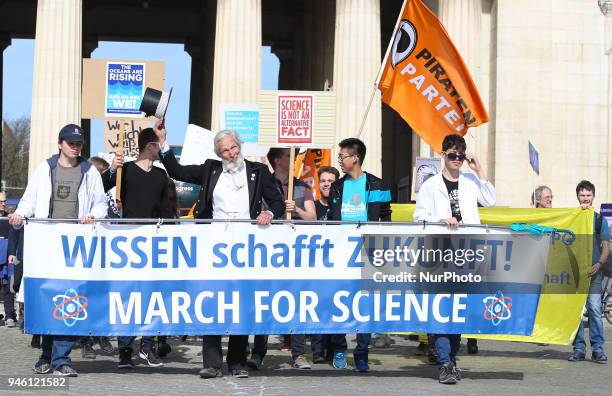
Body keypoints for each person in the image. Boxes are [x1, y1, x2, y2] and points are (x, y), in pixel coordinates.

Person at [157, 123, 285, 379]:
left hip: (246, 247)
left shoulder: (258, 171)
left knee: (241, 303)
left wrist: (269, 213)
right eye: (225, 151)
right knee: (212, 301)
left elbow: (278, 202)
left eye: (234, 147)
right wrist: (163, 143)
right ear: (218, 154)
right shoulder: (209, 169)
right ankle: (212, 363)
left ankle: (237, 362)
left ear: (240, 146)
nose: (231, 154)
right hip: (213, 245)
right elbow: (176, 170)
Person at [8, 124, 108, 377]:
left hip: (74, 245)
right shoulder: (46, 168)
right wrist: (20, 213)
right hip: (47, 244)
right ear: (60, 143)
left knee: (70, 297)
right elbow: (30, 198)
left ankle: (61, 358)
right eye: (71, 143)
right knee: (46, 300)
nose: (76, 147)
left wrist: (92, 216)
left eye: (79, 144)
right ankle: (46, 355)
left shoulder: (89, 171)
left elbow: (101, 203)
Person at [413, 133, 496, 384]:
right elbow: (419, 217)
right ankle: (445, 361)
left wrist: (479, 168)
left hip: (466, 254)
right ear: (443, 156)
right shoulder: (430, 184)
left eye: (461, 155)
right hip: (439, 253)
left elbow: (490, 200)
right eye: (452, 155)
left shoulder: (471, 182)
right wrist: (441, 220)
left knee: (458, 309)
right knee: (439, 309)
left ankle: (451, 357)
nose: (457, 159)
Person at [103, 127, 173, 369]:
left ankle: (146, 347)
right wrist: (113, 168)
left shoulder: (162, 177)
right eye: (159, 145)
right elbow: (100, 186)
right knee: (128, 299)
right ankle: (124, 351)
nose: (161, 149)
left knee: (151, 298)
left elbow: (166, 212)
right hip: (128, 245)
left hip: (152, 244)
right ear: (150, 146)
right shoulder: (126, 171)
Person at [328, 138, 392, 372]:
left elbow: (386, 218)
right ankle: (337, 348)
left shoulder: (378, 186)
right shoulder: (337, 186)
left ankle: (362, 352)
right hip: (341, 252)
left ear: (355, 158)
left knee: (365, 303)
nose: (340, 161)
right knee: (339, 301)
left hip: (368, 252)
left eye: (342, 157)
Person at [568, 180, 609, 364]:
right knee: (576, 311)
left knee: (594, 309)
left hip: (594, 272)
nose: (585, 199)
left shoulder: (600, 219)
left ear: (593, 197)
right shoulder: (572, 218)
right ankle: (578, 348)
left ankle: (598, 349)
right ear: (577, 197)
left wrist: (599, 263)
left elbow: (607, 246)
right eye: (582, 195)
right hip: (576, 273)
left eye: (588, 195)